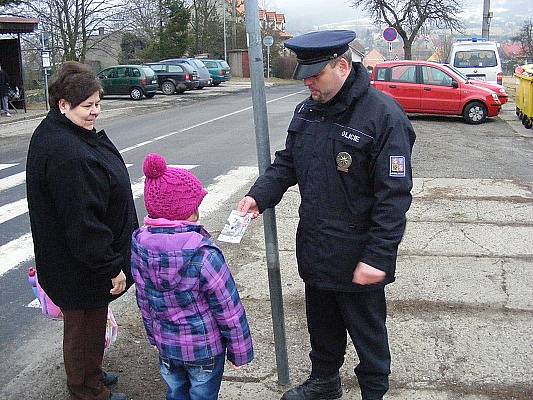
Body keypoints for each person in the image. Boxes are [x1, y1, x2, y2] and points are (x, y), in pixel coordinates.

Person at [238, 30, 416, 400]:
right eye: (305, 73)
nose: (308, 81)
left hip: (359, 251)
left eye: (315, 74)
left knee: (367, 332)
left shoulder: (383, 116)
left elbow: (393, 197)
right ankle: (324, 380)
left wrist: (377, 257)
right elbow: (288, 162)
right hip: (317, 244)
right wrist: (259, 196)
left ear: (342, 66)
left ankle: (374, 391)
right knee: (321, 322)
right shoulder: (309, 110)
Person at [26, 61, 139, 400]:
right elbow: (83, 223)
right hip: (80, 264)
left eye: (98, 104)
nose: (95, 113)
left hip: (78, 262)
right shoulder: (68, 152)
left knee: (92, 323)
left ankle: (93, 374)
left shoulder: (65, 133)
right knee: (82, 329)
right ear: (64, 105)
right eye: (87, 106)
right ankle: (86, 391)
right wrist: (112, 267)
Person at [131, 153, 254, 400]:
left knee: (176, 392)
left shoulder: (140, 246)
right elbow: (227, 307)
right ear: (188, 211)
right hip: (204, 349)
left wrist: (153, 336)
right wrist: (240, 352)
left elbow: (143, 299)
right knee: (202, 394)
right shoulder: (204, 254)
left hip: (167, 346)